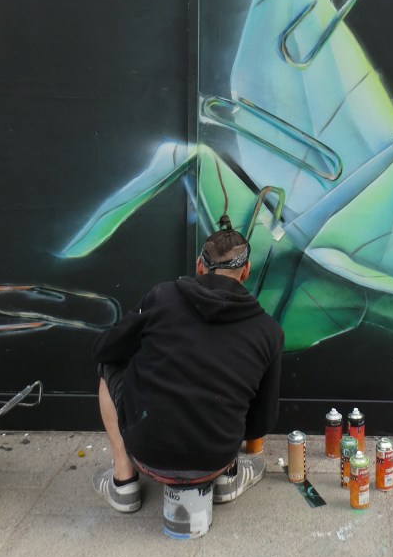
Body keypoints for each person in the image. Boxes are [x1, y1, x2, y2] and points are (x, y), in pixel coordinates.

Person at [91, 216, 284, 512]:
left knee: (109, 366)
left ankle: (123, 481)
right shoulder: (268, 331)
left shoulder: (161, 297)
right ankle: (228, 478)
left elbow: (105, 349)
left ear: (199, 266)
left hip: (146, 454)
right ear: (246, 270)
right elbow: (262, 422)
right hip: (216, 459)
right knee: (237, 388)